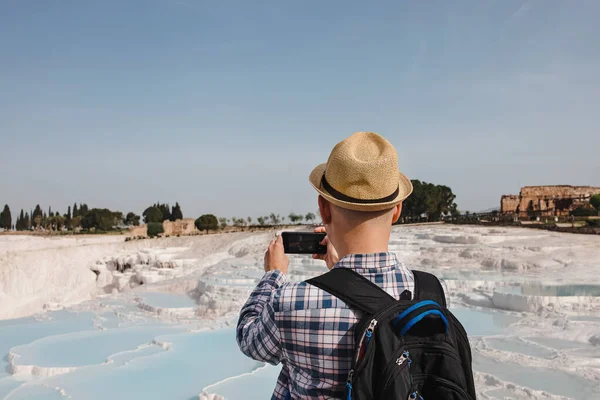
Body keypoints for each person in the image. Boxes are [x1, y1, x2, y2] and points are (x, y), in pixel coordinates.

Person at [236, 132, 445, 399]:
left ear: (324, 208)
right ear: (397, 210)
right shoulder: (428, 293)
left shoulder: (289, 301)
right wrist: (339, 276)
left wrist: (273, 276)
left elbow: (249, 339)